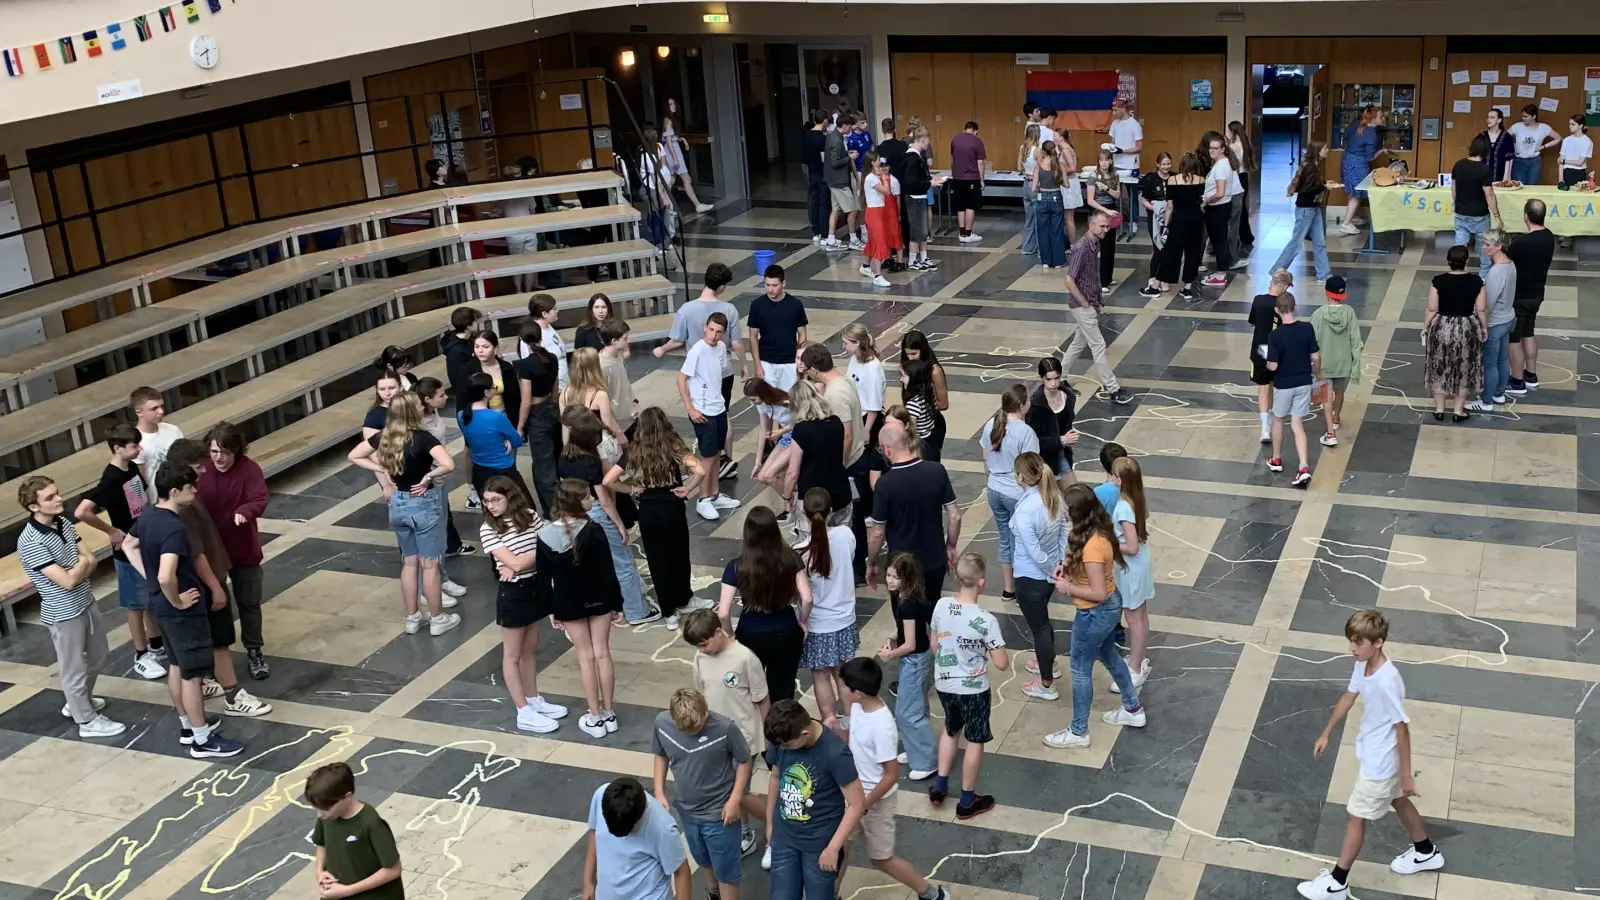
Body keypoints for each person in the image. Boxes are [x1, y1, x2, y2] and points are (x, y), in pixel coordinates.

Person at [1296, 610, 1444, 899]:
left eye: (1358, 642)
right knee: (1397, 801)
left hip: (1381, 762)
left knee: (1355, 817)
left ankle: (1337, 884)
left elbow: (1402, 729)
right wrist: (1326, 732)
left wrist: (1405, 774)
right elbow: (1349, 697)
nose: (1352, 648)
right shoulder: (1363, 665)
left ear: (1378, 642)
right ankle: (1426, 852)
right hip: (1375, 752)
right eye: (1351, 641)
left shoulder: (1388, 681)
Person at [123, 464, 244, 758]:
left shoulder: (149, 515)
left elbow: (128, 544)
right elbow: (167, 575)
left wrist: (153, 583)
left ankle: (188, 726)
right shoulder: (175, 527)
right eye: (190, 487)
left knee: (176, 666)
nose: (195, 491)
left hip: (160, 606)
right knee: (192, 674)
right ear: (175, 491)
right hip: (181, 610)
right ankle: (202, 740)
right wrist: (176, 599)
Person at [166, 438, 271, 718]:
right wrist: (216, 587)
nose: (204, 470)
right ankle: (233, 696)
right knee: (218, 642)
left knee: (187, 657)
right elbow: (198, 553)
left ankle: (194, 711)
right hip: (204, 582)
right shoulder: (185, 506)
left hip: (204, 579)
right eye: (199, 466)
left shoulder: (180, 500)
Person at [17, 475, 126, 737]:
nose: (59, 499)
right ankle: (86, 721)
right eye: (50, 497)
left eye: (57, 493)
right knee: (73, 667)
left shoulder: (63, 523)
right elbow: (66, 581)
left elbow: (92, 558)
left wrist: (79, 567)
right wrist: (80, 566)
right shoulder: (31, 541)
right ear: (34, 506)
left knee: (99, 655)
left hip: (85, 600)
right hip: (63, 613)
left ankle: (78, 701)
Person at [347, 393, 462, 637]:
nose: (424, 407)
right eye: (421, 404)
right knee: (429, 565)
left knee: (409, 562)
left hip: (397, 502)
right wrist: (428, 476)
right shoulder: (422, 438)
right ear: (412, 411)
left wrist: (383, 468)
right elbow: (448, 464)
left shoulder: (384, 436)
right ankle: (438, 618)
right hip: (422, 502)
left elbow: (354, 455)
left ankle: (413, 617)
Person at [837, 657, 948, 900]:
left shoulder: (882, 725)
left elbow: (891, 775)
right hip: (852, 792)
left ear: (858, 693)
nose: (841, 690)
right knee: (838, 848)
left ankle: (930, 894)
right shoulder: (857, 707)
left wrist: (864, 805)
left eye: (844, 686)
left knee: (881, 859)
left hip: (875, 801)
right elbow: (853, 740)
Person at [1043, 484, 1144, 750]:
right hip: (1108, 607)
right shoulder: (1096, 531)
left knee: (1079, 669)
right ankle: (1133, 709)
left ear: (1077, 512)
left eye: (1066, 508)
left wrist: (1068, 588)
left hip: (1095, 613)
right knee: (1109, 655)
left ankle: (1078, 731)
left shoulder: (1092, 546)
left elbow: (1097, 592)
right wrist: (1065, 567)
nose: (1062, 511)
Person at [534, 479, 625, 739]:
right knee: (602, 653)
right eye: (587, 497)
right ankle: (610, 713)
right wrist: (616, 603)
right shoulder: (594, 529)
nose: (592, 500)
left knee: (584, 657)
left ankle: (594, 717)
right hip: (598, 599)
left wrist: (551, 609)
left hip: (567, 601)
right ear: (576, 502)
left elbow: (543, 577)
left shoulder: (544, 535)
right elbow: (608, 571)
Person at [72, 423, 163, 681]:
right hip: (127, 549)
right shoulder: (111, 478)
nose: (139, 449)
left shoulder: (131, 467)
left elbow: (142, 497)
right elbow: (82, 511)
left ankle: (156, 642)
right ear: (118, 448)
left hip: (144, 537)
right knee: (135, 603)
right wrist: (111, 530)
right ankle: (141, 653)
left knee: (148, 596)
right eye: (134, 446)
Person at [682, 608, 772, 866]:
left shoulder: (744, 658)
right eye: (698, 646)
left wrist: (769, 736)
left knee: (739, 793)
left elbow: (762, 698)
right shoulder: (700, 657)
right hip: (714, 737)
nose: (702, 650)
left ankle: (777, 831)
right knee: (730, 791)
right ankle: (745, 833)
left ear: (718, 632)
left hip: (744, 736)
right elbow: (702, 695)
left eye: (705, 644)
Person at [478, 475, 567, 733]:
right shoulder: (488, 529)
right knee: (512, 654)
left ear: (510, 497)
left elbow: (548, 548)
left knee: (530, 649)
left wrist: (519, 561)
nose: (490, 506)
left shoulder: (530, 516)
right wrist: (523, 560)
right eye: (486, 501)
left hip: (535, 586)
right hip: (513, 592)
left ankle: (532, 697)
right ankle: (522, 710)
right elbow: (517, 563)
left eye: (496, 500)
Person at [652, 687, 754, 900]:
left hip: (720, 814)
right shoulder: (662, 724)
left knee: (727, 872)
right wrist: (659, 793)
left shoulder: (726, 728)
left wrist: (735, 800)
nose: (692, 733)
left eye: (697, 728)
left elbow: (744, 760)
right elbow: (661, 755)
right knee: (702, 858)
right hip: (687, 811)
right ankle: (713, 892)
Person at [928, 552, 1007, 819]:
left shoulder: (940, 606)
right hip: (973, 689)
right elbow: (1002, 663)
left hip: (945, 682)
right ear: (982, 582)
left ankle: (939, 786)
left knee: (951, 728)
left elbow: (934, 645)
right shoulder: (986, 621)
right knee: (975, 739)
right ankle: (966, 799)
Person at [763, 699, 865, 900]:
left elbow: (856, 804)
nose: (783, 748)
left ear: (805, 734)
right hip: (785, 837)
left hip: (820, 844)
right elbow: (775, 777)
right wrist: (769, 823)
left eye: (787, 745)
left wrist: (833, 848)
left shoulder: (835, 753)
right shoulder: (781, 740)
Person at [562, 408, 654, 625]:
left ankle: (610, 605)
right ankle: (636, 611)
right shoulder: (591, 462)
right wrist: (620, 524)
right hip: (596, 511)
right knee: (622, 560)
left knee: (596, 562)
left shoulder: (565, 457)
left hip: (573, 513)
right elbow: (604, 499)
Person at [616, 407, 703, 630]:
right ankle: (684, 598)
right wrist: (688, 488)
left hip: (647, 508)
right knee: (679, 555)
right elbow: (700, 470)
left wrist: (632, 488)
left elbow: (609, 480)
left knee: (657, 560)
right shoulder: (672, 445)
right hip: (671, 505)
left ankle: (668, 612)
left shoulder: (634, 451)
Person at [197, 421, 272, 679]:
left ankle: (255, 650)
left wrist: (245, 511)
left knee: (249, 602)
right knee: (215, 604)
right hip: (209, 551)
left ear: (237, 450)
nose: (219, 458)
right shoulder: (201, 468)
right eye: (214, 451)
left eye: (225, 452)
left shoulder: (249, 470)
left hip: (242, 547)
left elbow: (259, 499)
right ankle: (216, 657)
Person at [657, 263, 746, 480]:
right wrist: (744, 364)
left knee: (704, 416)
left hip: (696, 377)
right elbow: (736, 342)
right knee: (723, 415)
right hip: (722, 373)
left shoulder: (686, 309)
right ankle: (726, 461)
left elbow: (676, 340)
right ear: (722, 287)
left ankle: (712, 460)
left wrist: (662, 349)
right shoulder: (729, 310)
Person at [719, 507, 811, 702]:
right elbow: (808, 598)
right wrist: (802, 621)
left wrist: (730, 635)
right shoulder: (791, 558)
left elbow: (723, 613)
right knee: (784, 691)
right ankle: (782, 728)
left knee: (752, 689)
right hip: (785, 629)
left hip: (750, 633)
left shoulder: (736, 566)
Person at [866, 424, 961, 599]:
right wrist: (951, 546)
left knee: (905, 620)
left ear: (886, 450)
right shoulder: (937, 471)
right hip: (934, 559)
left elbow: (877, 533)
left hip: (902, 565)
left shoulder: (885, 485)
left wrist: (871, 562)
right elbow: (954, 516)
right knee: (933, 615)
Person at [1009, 452, 1068, 701]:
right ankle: (1049, 663)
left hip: (1030, 576)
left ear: (1021, 476)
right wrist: (1061, 561)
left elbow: (1034, 553)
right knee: (1043, 623)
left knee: (1040, 629)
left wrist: (1050, 570)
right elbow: (1065, 526)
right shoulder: (1052, 495)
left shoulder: (1026, 511)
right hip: (1048, 572)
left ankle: (1046, 684)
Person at [797, 488, 858, 728]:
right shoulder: (845, 535)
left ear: (804, 511)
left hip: (818, 623)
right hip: (845, 618)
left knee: (820, 674)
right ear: (831, 510)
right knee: (842, 673)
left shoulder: (800, 550)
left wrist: (802, 620)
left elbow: (803, 594)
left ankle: (830, 720)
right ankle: (851, 719)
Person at [873, 552, 936, 780]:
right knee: (915, 705)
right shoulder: (911, 598)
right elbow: (911, 632)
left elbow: (909, 644)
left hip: (915, 659)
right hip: (920, 656)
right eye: (888, 575)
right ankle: (914, 748)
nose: (889, 580)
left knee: (907, 712)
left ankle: (926, 761)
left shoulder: (908, 605)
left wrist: (890, 654)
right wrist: (893, 637)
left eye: (895, 577)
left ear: (906, 579)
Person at [1063, 212, 1136, 405]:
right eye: (1103, 226)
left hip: (1091, 304)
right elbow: (1069, 281)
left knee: (1078, 344)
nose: (1106, 229)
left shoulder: (1095, 244)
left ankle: (1061, 378)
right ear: (1091, 225)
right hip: (1082, 305)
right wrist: (1085, 303)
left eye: (1107, 226)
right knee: (1098, 346)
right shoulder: (1081, 248)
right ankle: (1113, 389)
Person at [305, 763, 404, 900]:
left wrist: (346, 891)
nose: (319, 814)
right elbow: (322, 845)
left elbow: (393, 870)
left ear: (347, 796)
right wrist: (320, 872)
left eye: (325, 808)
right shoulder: (327, 817)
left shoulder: (371, 824)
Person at [677, 313, 743, 521]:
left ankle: (714, 495)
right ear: (705, 327)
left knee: (716, 454)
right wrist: (691, 409)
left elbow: (719, 374)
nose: (714, 335)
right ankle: (703, 499)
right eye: (711, 329)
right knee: (706, 458)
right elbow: (681, 380)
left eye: (719, 332)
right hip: (703, 412)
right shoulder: (697, 351)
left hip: (718, 409)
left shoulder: (722, 349)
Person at [585, 776, 691, 900]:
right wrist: (588, 883)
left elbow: (681, 872)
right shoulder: (601, 795)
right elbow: (594, 834)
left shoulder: (663, 828)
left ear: (640, 817)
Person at [981, 384, 1039, 601]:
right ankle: (1026, 587)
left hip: (995, 488)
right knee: (1024, 541)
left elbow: (985, 459)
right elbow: (1032, 468)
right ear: (1022, 406)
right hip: (1017, 492)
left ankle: (1009, 589)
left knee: (1006, 538)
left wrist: (990, 482)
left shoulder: (991, 425)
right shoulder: (1026, 432)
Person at [1425, 245, 1487, 423]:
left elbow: (1431, 309)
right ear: (1467, 261)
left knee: (1439, 366)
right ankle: (1458, 411)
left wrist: (1425, 327)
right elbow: (1481, 309)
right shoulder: (1476, 282)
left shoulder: (1438, 281)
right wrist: (1484, 328)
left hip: (1442, 326)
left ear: (1448, 261)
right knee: (1463, 368)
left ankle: (1439, 409)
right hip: (1467, 327)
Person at [1266, 293, 1322, 487]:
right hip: (1304, 382)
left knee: (1279, 419)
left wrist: (1267, 362)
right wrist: (1319, 373)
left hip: (1284, 384)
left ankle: (1276, 458)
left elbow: (1272, 366)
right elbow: (1315, 356)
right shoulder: (1307, 328)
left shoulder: (1275, 336)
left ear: (1277, 311)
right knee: (1297, 423)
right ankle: (1304, 466)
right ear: (1295, 307)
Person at [1107, 456, 1153, 686]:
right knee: (1141, 615)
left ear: (1118, 480)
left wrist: (1110, 543)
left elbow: (1131, 547)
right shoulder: (1137, 497)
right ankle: (1139, 659)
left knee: (1134, 618)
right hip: (1139, 565)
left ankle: (1135, 668)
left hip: (1130, 568)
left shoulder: (1124, 506)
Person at [783, 380, 849, 539]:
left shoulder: (801, 430)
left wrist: (786, 496)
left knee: (811, 545)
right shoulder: (836, 422)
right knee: (841, 540)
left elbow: (793, 472)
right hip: (840, 492)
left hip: (812, 499)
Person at [515, 300, 564, 515]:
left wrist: (520, 426)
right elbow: (555, 391)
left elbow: (526, 400)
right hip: (551, 409)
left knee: (544, 467)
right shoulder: (551, 358)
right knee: (550, 459)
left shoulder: (525, 365)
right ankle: (550, 508)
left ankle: (556, 512)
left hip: (537, 415)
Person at [1270, 142, 1339, 283]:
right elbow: (1306, 190)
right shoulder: (1311, 167)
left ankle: (1324, 275)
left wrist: (1324, 184)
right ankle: (1277, 270)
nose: (1327, 150)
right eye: (1325, 148)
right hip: (1306, 210)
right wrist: (1324, 186)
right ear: (1318, 151)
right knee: (1296, 243)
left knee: (1320, 243)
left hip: (1314, 209)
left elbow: (1311, 185)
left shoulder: (1312, 166)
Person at [1506, 199, 1555, 394]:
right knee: (1529, 333)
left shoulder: (1520, 243)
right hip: (1537, 294)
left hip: (1519, 296)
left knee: (1514, 338)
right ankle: (1531, 375)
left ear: (1526, 216)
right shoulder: (1549, 237)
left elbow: (1508, 264)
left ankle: (1517, 381)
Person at [459, 372, 532, 500]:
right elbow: (517, 440)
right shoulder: (496, 417)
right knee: (524, 506)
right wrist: (507, 440)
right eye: (493, 387)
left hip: (479, 470)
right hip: (503, 470)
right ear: (486, 393)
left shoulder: (461, 416)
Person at [1309, 276, 1365, 446]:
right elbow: (1356, 340)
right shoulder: (1349, 313)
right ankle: (1336, 417)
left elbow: (1311, 339)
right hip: (1344, 361)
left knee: (1326, 395)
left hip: (1325, 362)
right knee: (1339, 391)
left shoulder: (1318, 314)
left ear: (1327, 294)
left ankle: (1330, 431)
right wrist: (1355, 363)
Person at [1468, 230, 1517, 414]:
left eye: (1488, 245)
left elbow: (1488, 303)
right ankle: (1499, 393)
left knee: (1490, 364)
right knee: (1502, 359)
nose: (1484, 247)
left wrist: (1482, 325)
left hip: (1495, 322)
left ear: (1499, 247)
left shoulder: (1496, 272)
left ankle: (1486, 401)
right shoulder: (1510, 265)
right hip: (1508, 318)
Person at [746, 265, 809, 392]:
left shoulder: (795, 305)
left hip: (790, 360)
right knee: (768, 399)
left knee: (790, 399)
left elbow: (802, 333)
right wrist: (757, 364)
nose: (770, 289)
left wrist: (799, 360)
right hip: (766, 360)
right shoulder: (757, 305)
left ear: (783, 283)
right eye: (767, 285)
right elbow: (753, 336)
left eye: (774, 285)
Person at [1248, 269, 1293, 444]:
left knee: (1263, 387)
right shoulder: (1284, 305)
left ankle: (1264, 427)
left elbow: (1252, 321)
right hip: (1278, 352)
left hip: (1259, 350)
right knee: (1275, 385)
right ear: (1284, 286)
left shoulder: (1258, 300)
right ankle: (1276, 418)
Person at [1155, 152, 1208, 300]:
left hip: (1179, 220)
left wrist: (1166, 225)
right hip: (1196, 220)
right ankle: (1187, 288)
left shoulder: (1173, 180)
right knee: (1192, 253)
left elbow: (1170, 206)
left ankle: (1157, 284)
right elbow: (1201, 200)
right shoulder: (1201, 180)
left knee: (1171, 252)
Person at [565, 348, 629, 466]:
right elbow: (608, 423)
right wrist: (621, 437)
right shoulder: (599, 395)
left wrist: (566, 448)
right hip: (598, 445)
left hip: (576, 444)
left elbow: (565, 426)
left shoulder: (565, 393)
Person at [1452, 134, 1502, 278]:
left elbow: (1453, 189)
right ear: (1486, 151)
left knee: (1460, 245)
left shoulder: (1458, 165)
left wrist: (1459, 204)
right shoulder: (1484, 170)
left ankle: (1457, 273)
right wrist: (1497, 216)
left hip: (1460, 213)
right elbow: (1489, 195)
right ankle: (1484, 278)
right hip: (1479, 215)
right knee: (1484, 247)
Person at [1026, 358, 1079, 486]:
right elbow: (1032, 441)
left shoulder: (1068, 396)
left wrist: (1069, 436)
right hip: (1042, 460)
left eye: (1056, 378)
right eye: (1048, 379)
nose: (1053, 383)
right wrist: (1061, 440)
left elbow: (1067, 423)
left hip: (1062, 454)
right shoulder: (1036, 405)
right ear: (1042, 378)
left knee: (1073, 494)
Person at [898, 331, 949, 459]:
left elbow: (943, 403)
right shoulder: (907, 368)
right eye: (907, 354)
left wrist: (922, 407)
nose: (910, 358)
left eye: (914, 354)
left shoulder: (934, 371)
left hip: (931, 424)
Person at [1200, 131, 1240, 283]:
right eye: (1210, 148)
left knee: (1219, 242)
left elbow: (1220, 192)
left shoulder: (1221, 166)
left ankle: (1221, 275)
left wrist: (1205, 202)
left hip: (1217, 207)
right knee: (1219, 241)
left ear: (1223, 149)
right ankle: (1220, 273)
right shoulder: (1221, 164)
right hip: (1219, 207)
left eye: (1215, 148)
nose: (1212, 151)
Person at [858, 156, 903, 288]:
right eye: (877, 159)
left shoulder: (873, 176)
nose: (880, 161)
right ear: (872, 162)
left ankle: (866, 266)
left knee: (873, 240)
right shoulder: (871, 178)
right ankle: (877, 275)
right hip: (874, 213)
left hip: (879, 211)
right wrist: (884, 177)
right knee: (879, 241)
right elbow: (887, 191)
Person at [1339, 105, 1384, 235]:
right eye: (1381, 117)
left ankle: (1350, 218)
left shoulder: (1358, 124)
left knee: (1353, 191)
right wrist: (1381, 151)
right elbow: (1370, 157)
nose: (1383, 118)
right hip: (1358, 163)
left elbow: (1347, 135)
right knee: (1357, 194)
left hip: (1347, 159)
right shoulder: (1372, 134)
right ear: (1374, 119)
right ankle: (1346, 223)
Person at [662, 111, 714, 214]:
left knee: (671, 180)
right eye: (670, 104)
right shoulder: (668, 120)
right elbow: (668, 141)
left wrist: (682, 139)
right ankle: (697, 205)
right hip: (673, 153)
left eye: (673, 104)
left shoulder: (670, 120)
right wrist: (675, 158)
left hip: (673, 152)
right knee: (685, 179)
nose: (673, 106)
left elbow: (671, 138)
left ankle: (666, 205)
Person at [1136, 152, 1174, 297]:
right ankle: (1153, 278)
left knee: (1168, 248)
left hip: (1170, 217)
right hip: (1155, 218)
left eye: (1168, 164)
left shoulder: (1173, 177)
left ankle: (1165, 278)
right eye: (1163, 164)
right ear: (1158, 164)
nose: (1166, 167)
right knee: (1158, 248)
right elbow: (1144, 200)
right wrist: (1156, 208)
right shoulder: (1151, 179)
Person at [1084, 149, 1122, 292]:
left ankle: (1108, 276)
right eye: (1101, 160)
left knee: (1110, 246)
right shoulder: (1093, 176)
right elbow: (1090, 200)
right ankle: (1100, 281)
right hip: (1099, 210)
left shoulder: (1115, 175)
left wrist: (1106, 188)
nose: (1104, 163)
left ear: (1111, 161)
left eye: (1107, 160)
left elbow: (1118, 195)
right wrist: (1106, 212)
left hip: (1111, 209)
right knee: (1100, 246)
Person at [130, 386, 182, 487]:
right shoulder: (135, 442)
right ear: (139, 412)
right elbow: (137, 483)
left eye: (162, 406)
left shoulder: (173, 430)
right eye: (154, 408)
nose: (161, 411)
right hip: (155, 499)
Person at [843, 324, 885, 449]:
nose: (843, 346)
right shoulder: (854, 359)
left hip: (868, 420)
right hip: (856, 414)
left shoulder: (873, 368)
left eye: (846, 343)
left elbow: (874, 403)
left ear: (857, 343)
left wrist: (866, 430)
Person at [823, 113, 861, 251]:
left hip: (832, 180)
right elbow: (835, 162)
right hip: (839, 181)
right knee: (853, 209)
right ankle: (853, 239)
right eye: (849, 126)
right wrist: (849, 157)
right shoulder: (837, 140)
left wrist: (846, 155)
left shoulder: (832, 136)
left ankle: (831, 239)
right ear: (844, 126)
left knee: (836, 210)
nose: (850, 128)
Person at [1032, 139, 1068, 269]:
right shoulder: (1060, 165)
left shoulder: (1038, 166)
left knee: (1043, 230)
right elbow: (1067, 184)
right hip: (1056, 197)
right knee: (1057, 230)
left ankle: (1046, 261)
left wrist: (1040, 185)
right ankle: (1058, 261)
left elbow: (1033, 188)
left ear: (1043, 151)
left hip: (1042, 198)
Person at [949, 122, 987, 243]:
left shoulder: (955, 139)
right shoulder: (977, 141)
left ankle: (962, 233)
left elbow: (952, 159)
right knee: (971, 206)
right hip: (971, 177)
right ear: (976, 131)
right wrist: (982, 180)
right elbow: (980, 162)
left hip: (957, 177)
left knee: (961, 207)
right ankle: (969, 233)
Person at [1509, 104, 1559, 185]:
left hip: (1534, 161)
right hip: (1519, 161)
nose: (1523, 118)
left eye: (1526, 116)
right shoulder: (1517, 126)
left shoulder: (1543, 127)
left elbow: (1558, 138)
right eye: (1523, 116)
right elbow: (1504, 137)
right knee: (1519, 186)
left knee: (1531, 187)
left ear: (1534, 117)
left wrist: (1543, 146)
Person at [1227, 120, 1256, 254]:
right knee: (1242, 207)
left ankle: (1244, 236)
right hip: (1244, 177)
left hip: (1236, 177)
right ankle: (1246, 236)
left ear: (1233, 131)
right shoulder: (1247, 144)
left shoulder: (1233, 147)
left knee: (1237, 209)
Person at [804, 110, 831, 244]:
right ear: (825, 120)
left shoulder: (807, 135)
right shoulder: (822, 138)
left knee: (813, 201)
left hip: (811, 171)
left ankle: (816, 232)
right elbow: (823, 158)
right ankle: (825, 233)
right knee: (823, 203)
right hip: (821, 173)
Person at [1018, 124, 1042, 258]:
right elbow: (1041, 168)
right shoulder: (1037, 150)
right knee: (1039, 217)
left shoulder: (1022, 148)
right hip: (1035, 184)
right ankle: (1040, 250)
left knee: (1029, 218)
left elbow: (1018, 167)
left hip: (1025, 184)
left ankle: (1027, 247)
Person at [1480, 107, 1516, 184]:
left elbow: (1509, 159)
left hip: (1500, 176)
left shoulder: (1506, 137)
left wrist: (1506, 178)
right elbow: (1476, 156)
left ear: (1499, 120)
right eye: (1488, 117)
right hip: (1482, 176)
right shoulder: (1482, 136)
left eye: (1492, 117)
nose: (1488, 119)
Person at [1559, 112, 1592, 187]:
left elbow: (1580, 162)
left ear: (1580, 125)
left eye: (1573, 124)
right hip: (1566, 172)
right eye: (1569, 124)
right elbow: (1560, 161)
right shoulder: (1566, 140)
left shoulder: (1587, 141)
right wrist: (1560, 180)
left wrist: (1564, 161)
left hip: (1579, 173)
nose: (1570, 126)